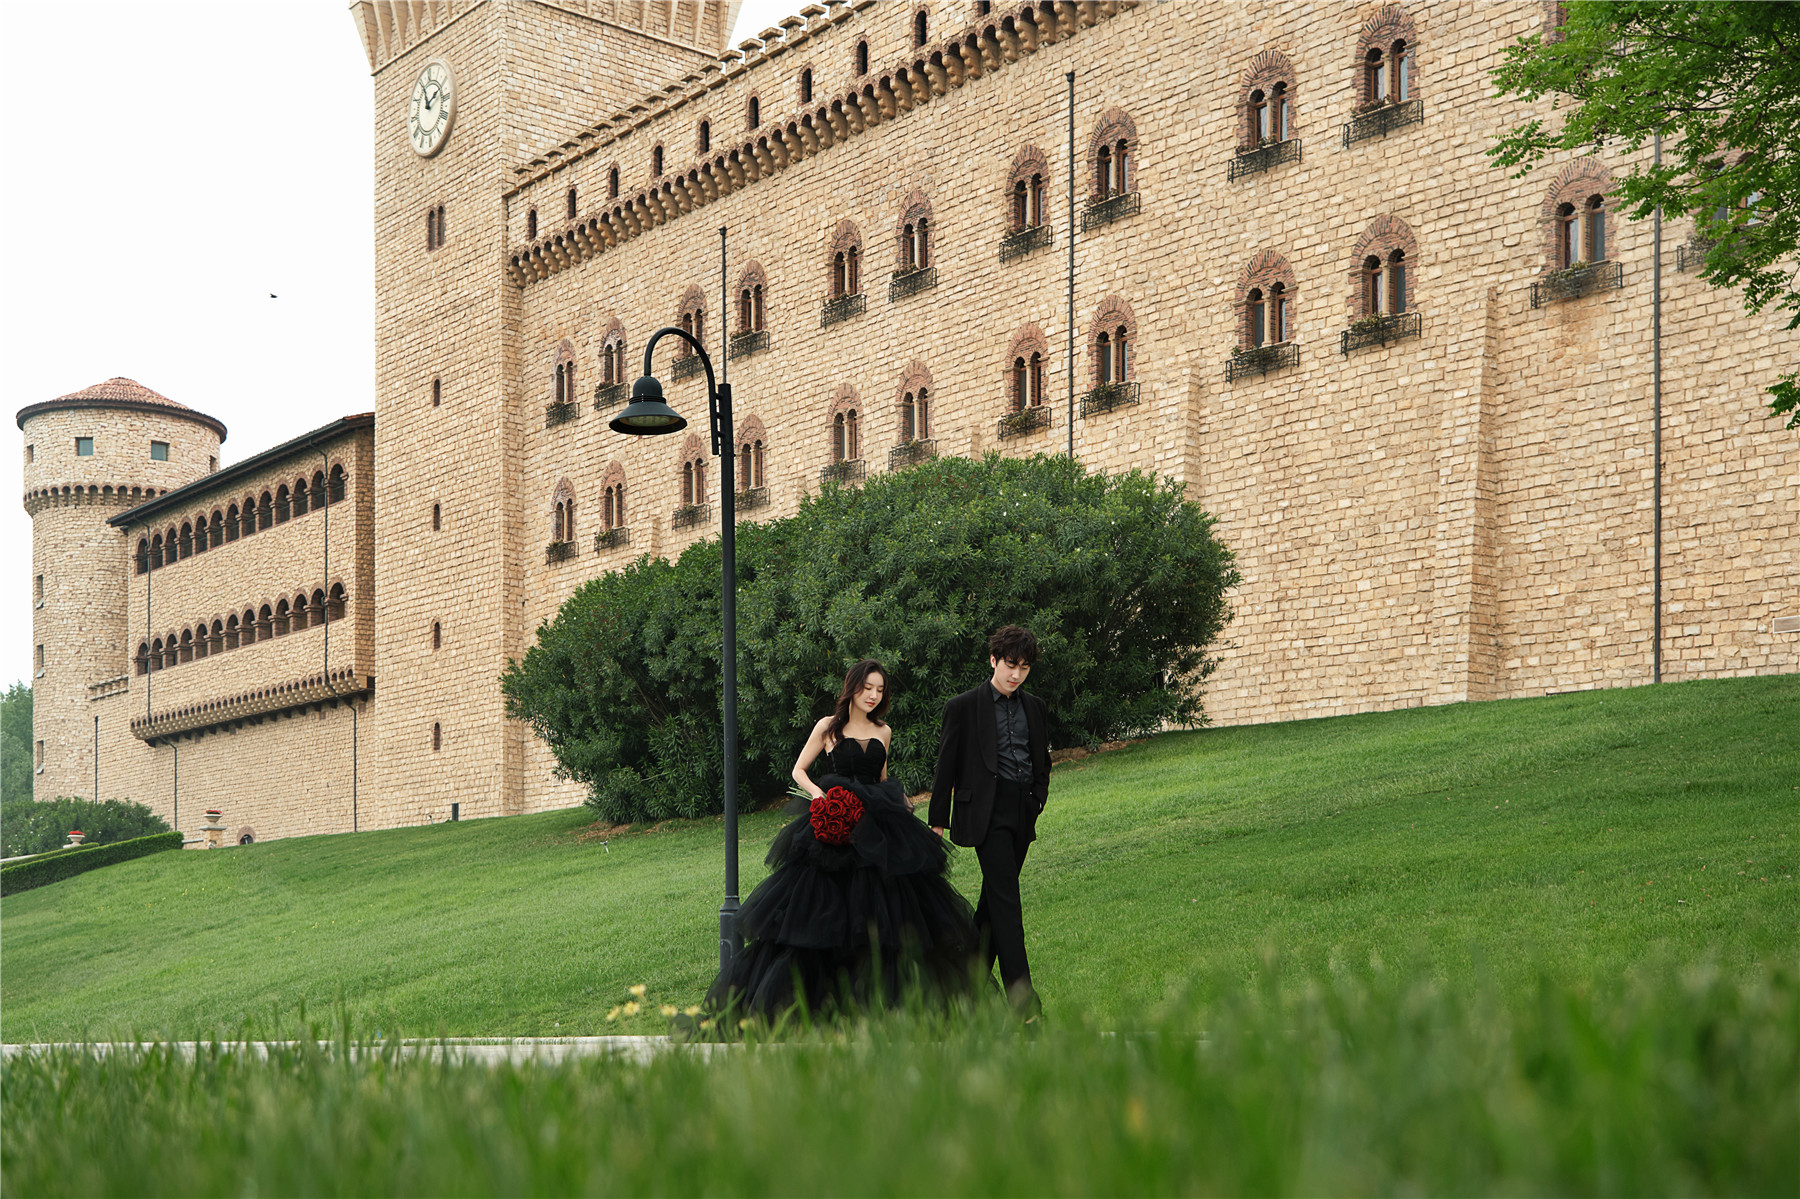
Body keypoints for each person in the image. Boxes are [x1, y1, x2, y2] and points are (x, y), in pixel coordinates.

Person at [706, 659, 978, 1019]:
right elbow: (798, 770)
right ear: (853, 688)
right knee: (823, 916)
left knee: (890, 918)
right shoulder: (828, 728)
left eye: (880, 690)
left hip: (876, 823)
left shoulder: (884, 731)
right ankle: (821, 1009)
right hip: (833, 827)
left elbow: (881, 780)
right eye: (868, 688)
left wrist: (900, 812)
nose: (873, 696)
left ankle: (888, 1011)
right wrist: (821, 798)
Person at [928, 626, 1051, 1012]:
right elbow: (944, 767)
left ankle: (965, 989)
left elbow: (1041, 760)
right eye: (1011, 665)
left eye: (1025, 668)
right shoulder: (963, 707)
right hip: (985, 813)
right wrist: (937, 821)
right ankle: (1024, 1007)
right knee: (1008, 906)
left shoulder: (1035, 707)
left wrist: (1037, 799)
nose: (1016, 675)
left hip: (1022, 810)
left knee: (993, 905)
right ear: (993, 660)